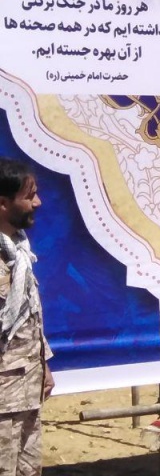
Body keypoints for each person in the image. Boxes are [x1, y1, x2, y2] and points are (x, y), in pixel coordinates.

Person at [0, 158, 54, 476]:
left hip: (26, 391)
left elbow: (29, 315)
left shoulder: (19, 251)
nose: (38, 202)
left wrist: (43, 364)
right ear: (3, 203)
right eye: (29, 196)